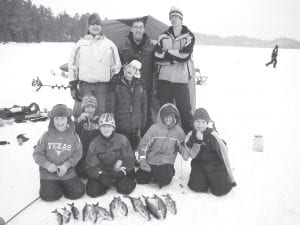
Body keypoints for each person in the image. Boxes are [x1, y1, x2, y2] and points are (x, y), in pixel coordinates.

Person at [68, 13, 121, 117]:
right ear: (88, 27)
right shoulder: (80, 44)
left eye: (98, 24)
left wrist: (115, 78)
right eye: (93, 24)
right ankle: (86, 132)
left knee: (101, 112)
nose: (95, 26)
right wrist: (73, 84)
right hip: (85, 85)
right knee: (86, 113)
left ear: (101, 27)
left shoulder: (109, 44)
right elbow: (73, 65)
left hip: (103, 86)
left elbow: (116, 65)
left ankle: (101, 132)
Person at [154, 6, 195, 134]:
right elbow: (157, 57)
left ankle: (188, 137)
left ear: (181, 18)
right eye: (171, 17)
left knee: (185, 110)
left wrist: (168, 53)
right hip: (164, 79)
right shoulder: (162, 36)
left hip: (181, 79)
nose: (173, 19)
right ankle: (164, 135)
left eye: (176, 16)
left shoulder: (189, 36)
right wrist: (173, 58)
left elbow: (185, 55)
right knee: (165, 110)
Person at [33, 104, 85, 201]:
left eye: (62, 118)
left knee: (77, 193)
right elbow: (37, 154)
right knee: (48, 196)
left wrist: (66, 165)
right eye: (56, 119)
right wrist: (47, 165)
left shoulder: (74, 136)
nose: (59, 122)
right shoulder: (46, 135)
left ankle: (64, 183)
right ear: (52, 119)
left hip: (67, 171)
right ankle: (54, 185)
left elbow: (78, 154)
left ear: (68, 119)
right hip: (49, 172)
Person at [185, 108, 236, 196]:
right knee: (196, 187)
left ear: (207, 123)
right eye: (197, 121)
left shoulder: (212, 135)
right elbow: (190, 155)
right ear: (193, 122)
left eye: (203, 122)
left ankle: (217, 179)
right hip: (199, 165)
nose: (200, 125)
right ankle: (205, 180)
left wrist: (231, 178)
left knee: (221, 191)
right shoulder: (190, 135)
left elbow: (224, 155)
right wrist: (197, 141)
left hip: (215, 165)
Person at [135, 103, 188, 188]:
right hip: (151, 160)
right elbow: (144, 145)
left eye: (171, 116)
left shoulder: (179, 131)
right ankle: (152, 173)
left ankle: (160, 174)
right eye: (165, 116)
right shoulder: (154, 128)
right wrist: (142, 160)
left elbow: (181, 145)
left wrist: (184, 151)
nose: (168, 119)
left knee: (163, 180)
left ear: (175, 117)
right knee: (140, 178)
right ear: (161, 116)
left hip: (166, 161)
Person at [118, 18, 156, 134]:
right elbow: (118, 66)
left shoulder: (151, 45)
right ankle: (128, 138)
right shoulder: (123, 45)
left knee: (145, 113)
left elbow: (155, 68)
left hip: (145, 86)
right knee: (127, 112)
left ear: (144, 29)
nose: (138, 30)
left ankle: (144, 140)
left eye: (140, 27)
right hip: (127, 87)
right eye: (136, 27)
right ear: (131, 29)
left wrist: (154, 86)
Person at [85, 113, 136, 197]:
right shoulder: (94, 143)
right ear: (99, 128)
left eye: (109, 126)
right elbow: (91, 165)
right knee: (92, 191)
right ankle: (107, 182)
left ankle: (117, 181)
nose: (106, 129)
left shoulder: (122, 139)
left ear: (113, 127)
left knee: (126, 188)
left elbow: (129, 159)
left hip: (118, 169)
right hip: (103, 171)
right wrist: (100, 176)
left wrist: (122, 171)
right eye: (103, 126)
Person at [107, 58, 147, 151]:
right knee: (121, 147)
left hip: (135, 124)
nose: (130, 69)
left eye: (133, 68)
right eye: (128, 67)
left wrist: (143, 122)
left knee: (134, 146)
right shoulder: (116, 84)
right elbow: (111, 105)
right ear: (124, 68)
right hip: (121, 124)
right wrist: (112, 121)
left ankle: (131, 163)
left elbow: (144, 105)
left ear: (136, 71)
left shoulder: (141, 85)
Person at [75, 93, 100, 178]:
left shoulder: (99, 120)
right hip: (82, 152)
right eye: (87, 107)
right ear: (83, 108)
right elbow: (71, 132)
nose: (90, 110)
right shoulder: (79, 120)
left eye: (92, 107)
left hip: (94, 153)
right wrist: (78, 121)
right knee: (80, 173)